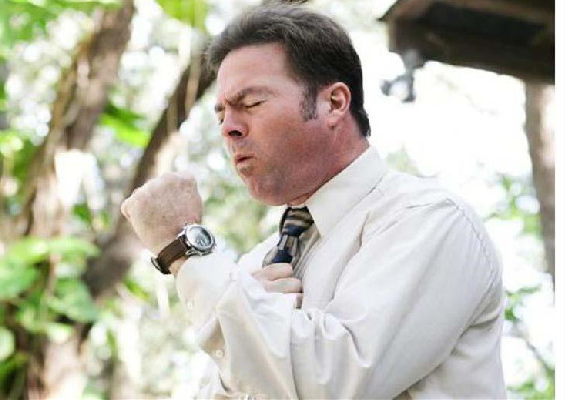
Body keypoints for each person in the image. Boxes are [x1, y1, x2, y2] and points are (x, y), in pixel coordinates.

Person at [121, 3, 506, 399]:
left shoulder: (428, 221)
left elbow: (330, 384)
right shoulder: (255, 266)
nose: (229, 129)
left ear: (334, 103)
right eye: (221, 115)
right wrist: (247, 322)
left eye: (251, 104)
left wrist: (185, 248)